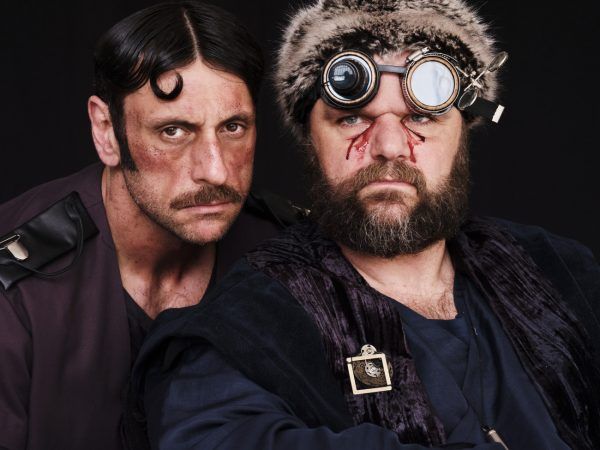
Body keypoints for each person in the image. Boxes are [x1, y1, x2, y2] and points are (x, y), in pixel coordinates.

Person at [134, 0, 600, 449]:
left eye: (421, 116)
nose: (389, 147)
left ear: (463, 132)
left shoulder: (556, 271)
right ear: (311, 140)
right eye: (352, 118)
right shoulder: (255, 318)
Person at [0, 2, 300, 449]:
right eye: (173, 131)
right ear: (107, 130)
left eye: (233, 127)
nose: (215, 171)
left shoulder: (288, 258)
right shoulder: (16, 286)